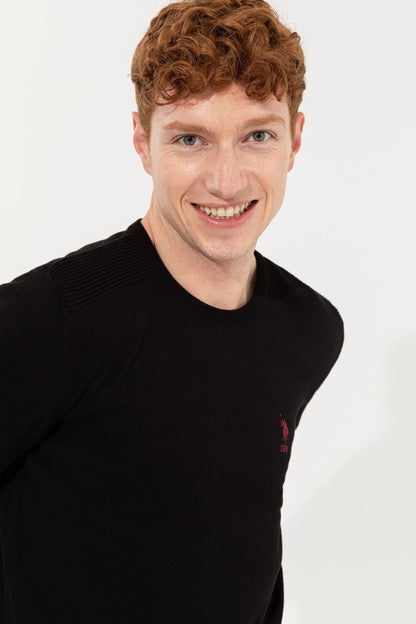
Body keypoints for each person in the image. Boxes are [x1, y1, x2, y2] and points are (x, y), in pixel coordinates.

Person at [0, 0, 344, 622]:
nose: (226, 181)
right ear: (142, 141)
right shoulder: (51, 318)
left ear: (295, 139)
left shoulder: (309, 329)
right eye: (190, 139)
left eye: (257, 136)